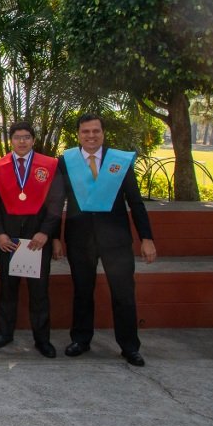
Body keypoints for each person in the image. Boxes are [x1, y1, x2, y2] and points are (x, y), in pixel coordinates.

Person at [60, 113, 157, 366]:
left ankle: (129, 346)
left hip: (116, 240)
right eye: (85, 132)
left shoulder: (118, 161)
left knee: (123, 294)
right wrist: (55, 238)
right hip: (80, 239)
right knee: (82, 292)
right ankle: (81, 339)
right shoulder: (66, 161)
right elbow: (56, 202)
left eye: (96, 131)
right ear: (78, 134)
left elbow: (135, 202)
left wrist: (146, 237)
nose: (91, 136)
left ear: (103, 133)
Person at [0, 121, 64, 357]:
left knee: (39, 291)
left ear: (33, 140)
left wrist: (45, 232)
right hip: (8, 239)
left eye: (26, 137)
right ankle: (5, 333)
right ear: (11, 140)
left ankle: (42, 339)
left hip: (37, 239)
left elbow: (56, 202)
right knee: (7, 288)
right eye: (17, 137)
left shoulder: (49, 165)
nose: (22, 141)